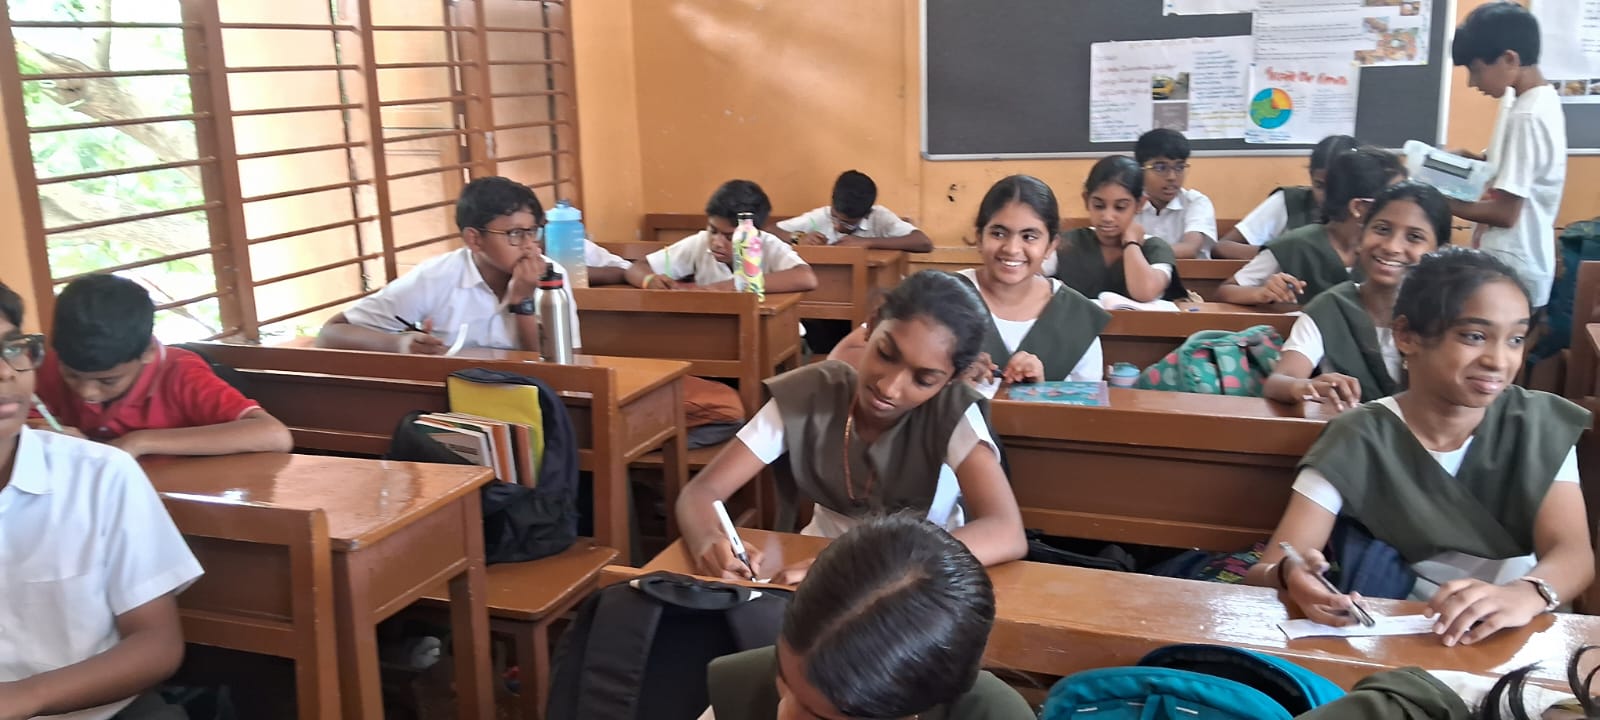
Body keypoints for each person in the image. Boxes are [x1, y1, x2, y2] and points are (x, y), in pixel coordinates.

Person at [1245, 248, 1593, 649]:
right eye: (1474, 336)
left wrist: (1526, 594)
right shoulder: (1359, 436)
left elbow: (1573, 554)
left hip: (1520, 628)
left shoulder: (1536, 423)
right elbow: (1268, 568)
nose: (1499, 360)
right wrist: (1291, 575)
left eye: (1515, 339)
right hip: (1406, 633)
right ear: (1406, 336)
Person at [675, 271, 1027, 584]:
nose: (890, 387)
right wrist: (709, 541)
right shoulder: (811, 393)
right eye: (886, 354)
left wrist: (858, 567)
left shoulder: (952, 415)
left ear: (950, 380)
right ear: (872, 325)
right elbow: (701, 492)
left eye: (924, 380)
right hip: (813, 566)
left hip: (914, 577)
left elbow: (1006, 531)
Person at [0, 280, 204, 720]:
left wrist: (24, 698)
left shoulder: (101, 476)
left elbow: (157, 644)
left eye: (12, 348)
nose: (6, 371)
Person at [701, 515, 1036, 720]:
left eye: (822, 718)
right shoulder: (742, 686)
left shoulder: (992, 713)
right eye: (783, 678)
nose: (784, 713)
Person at [31, 274, 293, 458]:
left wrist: (139, 442)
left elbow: (274, 435)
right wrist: (42, 433)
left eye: (108, 381)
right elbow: (27, 423)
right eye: (72, 375)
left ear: (149, 351)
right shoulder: (50, 364)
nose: (87, 392)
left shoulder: (181, 375)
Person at [318, 175, 584, 354]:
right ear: (474, 239)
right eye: (514, 234)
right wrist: (399, 343)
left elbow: (563, 365)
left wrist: (522, 302)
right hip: (452, 403)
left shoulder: (552, 276)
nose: (529, 245)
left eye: (532, 231)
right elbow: (331, 333)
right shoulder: (435, 277)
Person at [1263, 181, 1451, 411]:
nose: (1392, 247)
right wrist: (1306, 386)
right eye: (1382, 229)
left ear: (1440, 252)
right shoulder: (1332, 308)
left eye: (1414, 237)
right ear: (1361, 235)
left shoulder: (1450, 315)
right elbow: (1280, 381)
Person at [1449, 2, 1565, 324]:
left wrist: (1440, 202)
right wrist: (1472, 159)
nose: (1472, 83)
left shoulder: (1528, 116)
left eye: (1476, 70)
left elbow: (1505, 213)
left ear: (1510, 59)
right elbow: (1509, 168)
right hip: (1508, 262)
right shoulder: (1524, 100)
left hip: (1516, 267)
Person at [956, 175, 1109, 384]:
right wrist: (953, 384)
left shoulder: (1076, 317)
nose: (1012, 249)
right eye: (998, 234)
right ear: (979, 238)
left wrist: (1039, 392)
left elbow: (1084, 402)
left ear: (1051, 246)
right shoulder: (943, 297)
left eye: (1029, 237)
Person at [1217, 146, 1407, 307]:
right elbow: (1226, 291)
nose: (1405, 208)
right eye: (1393, 199)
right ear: (1358, 207)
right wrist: (1261, 293)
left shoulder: (1392, 251)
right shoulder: (1296, 244)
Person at [624, 180, 819, 293]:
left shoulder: (768, 245)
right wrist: (649, 280)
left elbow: (806, 278)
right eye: (713, 230)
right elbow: (636, 268)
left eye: (729, 237)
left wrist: (728, 287)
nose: (717, 242)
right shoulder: (700, 243)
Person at [1049, 155, 1184, 303]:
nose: (1107, 217)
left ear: (1139, 204)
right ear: (1086, 200)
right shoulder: (1068, 242)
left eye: (1120, 207)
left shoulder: (1155, 248)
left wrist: (1131, 243)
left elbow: (1144, 292)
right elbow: (1032, 277)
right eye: (1099, 206)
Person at [1214, 134, 1360, 259]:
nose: (1326, 196)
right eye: (1319, 186)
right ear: (1310, 177)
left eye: (1336, 186)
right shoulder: (1290, 201)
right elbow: (1221, 247)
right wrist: (1279, 254)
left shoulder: (1366, 212)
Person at [774, 170, 933, 252]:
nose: (837, 226)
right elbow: (770, 231)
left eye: (847, 223)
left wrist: (867, 242)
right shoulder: (820, 216)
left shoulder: (880, 217)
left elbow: (924, 243)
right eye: (835, 218)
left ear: (867, 214)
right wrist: (798, 238)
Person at [1134, 128, 1217, 259]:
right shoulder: (1130, 203)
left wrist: (1133, 254)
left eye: (1179, 167)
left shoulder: (1195, 202)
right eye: (1160, 167)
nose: (1172, 177)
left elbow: (1190, 249)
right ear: (1140, 169)